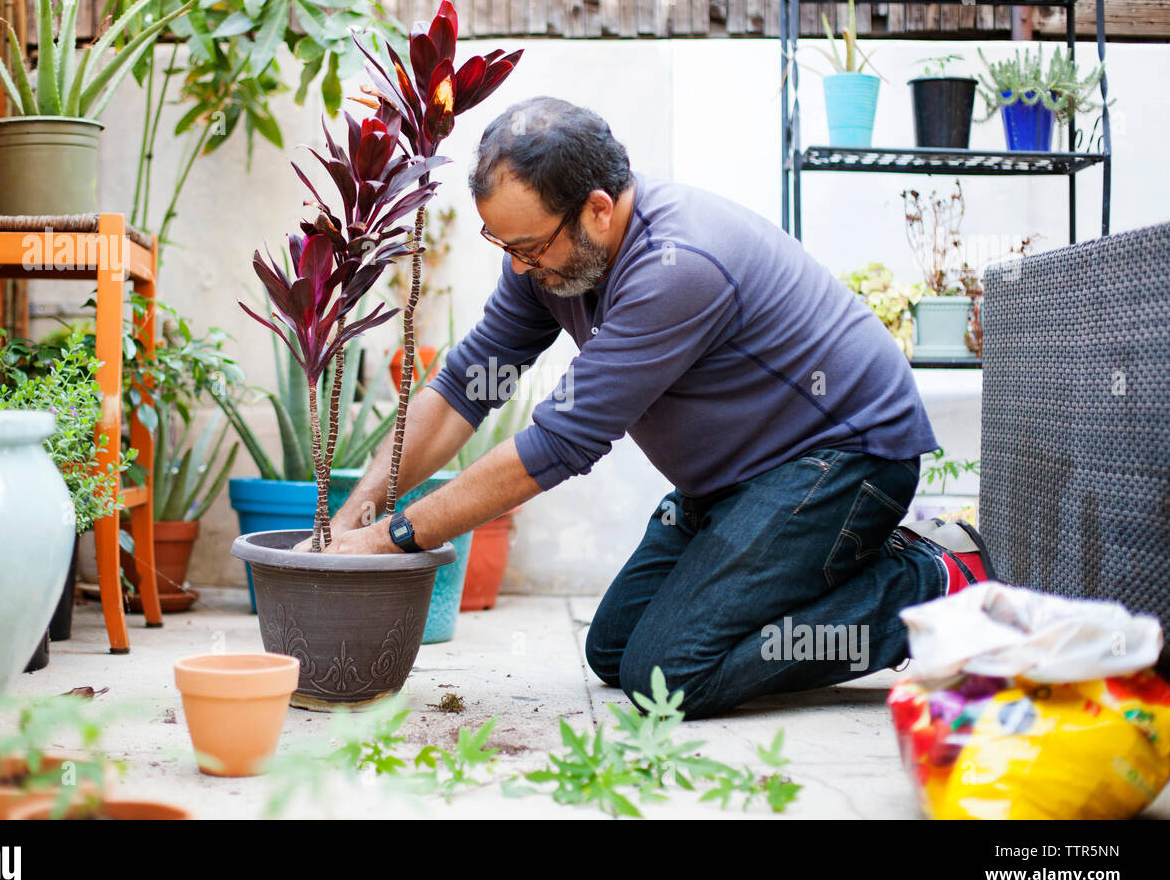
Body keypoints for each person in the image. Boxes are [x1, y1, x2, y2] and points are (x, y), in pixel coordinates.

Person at [324, 95, 994, 719]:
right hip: (738, 481)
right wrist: (356, 512)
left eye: (529, 247)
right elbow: (469, 385)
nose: (520, 267)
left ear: (597, 209)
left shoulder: (678, 266)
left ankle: (932, 581)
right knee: (614, 651)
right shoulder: (548, 262)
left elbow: (558, 445)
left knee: (666, 676)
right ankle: (817, 565)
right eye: (504, 248)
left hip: (845, 460)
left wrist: (392, 538)